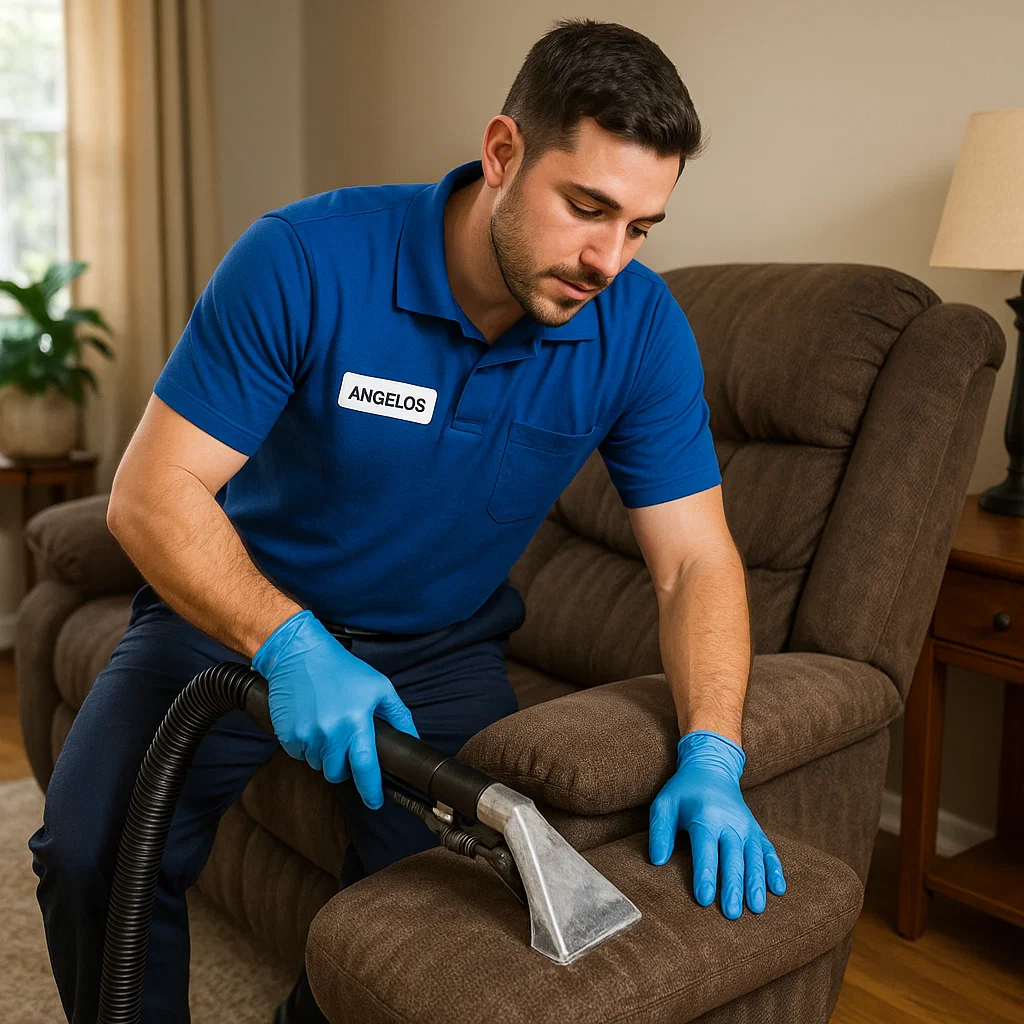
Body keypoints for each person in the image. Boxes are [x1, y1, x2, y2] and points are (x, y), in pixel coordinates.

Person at [28, 16, 786, 1024]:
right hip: (232, 612)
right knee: (88, 853)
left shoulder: (636, 328)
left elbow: (693, 562)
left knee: (447, 922)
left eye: (641, 226)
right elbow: (150, 493)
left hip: (438, 645)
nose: (608, 258)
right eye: (586, 207)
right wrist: (288, 639)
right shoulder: (305, 258)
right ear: (504, 152)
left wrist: (712, 752)